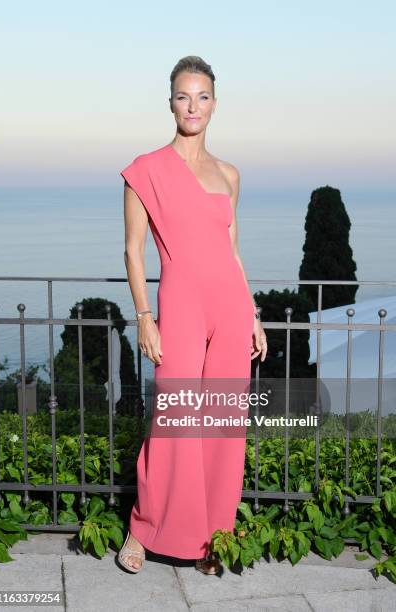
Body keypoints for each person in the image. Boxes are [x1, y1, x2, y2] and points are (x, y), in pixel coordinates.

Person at [118, 56, 267, 575]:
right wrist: (143, 316)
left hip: (229, 304)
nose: (193, 106)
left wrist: (252, 314)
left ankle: (210, 540)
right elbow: (134, 252)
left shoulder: (229, 174)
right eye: (184, 96)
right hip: (178, 302)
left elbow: (233, 249)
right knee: (174, 418)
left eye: (202, 97)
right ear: (171, 102)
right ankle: (143, 530)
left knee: (222, 424)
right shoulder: (146, 170)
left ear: (214, 104)